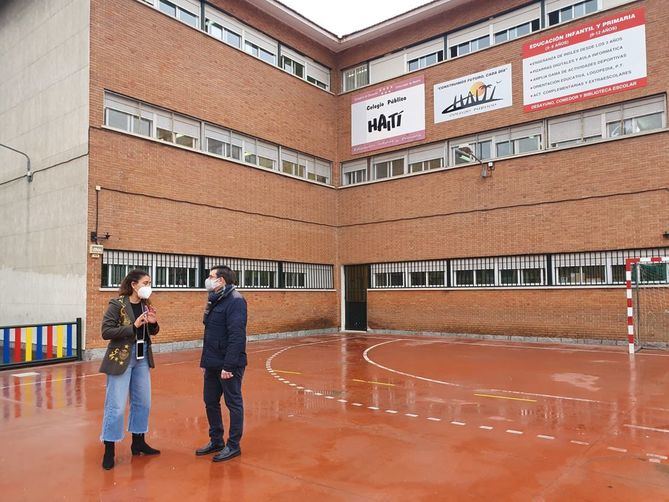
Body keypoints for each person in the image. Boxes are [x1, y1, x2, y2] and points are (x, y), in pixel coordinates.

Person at [99, 269, 161, 470]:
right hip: (121, 358)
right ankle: (109, 450)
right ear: (134, 285)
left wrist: (153, 324)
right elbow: (106, 331)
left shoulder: (146, 304)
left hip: (142, 357)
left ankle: (138, 442)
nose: (148, 287)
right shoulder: (117, 305)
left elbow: (151, 331)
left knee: (144, 402)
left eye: (149, 283)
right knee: (116, 405)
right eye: (145, 282)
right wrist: (132, 327)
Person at [195, 265, 248, 462]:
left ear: (222, 280)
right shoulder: (215, 299)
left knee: (233, 403)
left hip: (228, 364)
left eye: (211, 276)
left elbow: (237, 336)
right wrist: (205, 362)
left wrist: (229, 366)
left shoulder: (235, 301)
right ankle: (216, 440)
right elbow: (210, 334)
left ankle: (233, 445)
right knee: (210, 401)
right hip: (212, 362)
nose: (208, 280)